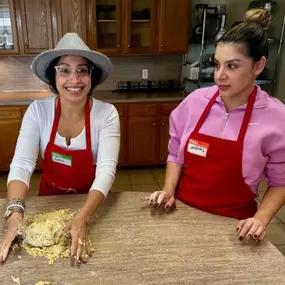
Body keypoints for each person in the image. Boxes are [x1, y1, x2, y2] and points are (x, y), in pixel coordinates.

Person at [149, 9, 285, 243]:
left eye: (232, 66)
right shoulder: (194, 102)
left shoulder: (276, 117)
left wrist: (260, 219)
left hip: (235, 226)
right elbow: (175, 153)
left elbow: (281, 181)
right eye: (216, 65)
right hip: (182, 215)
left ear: (258, 65)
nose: (219, 76)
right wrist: (169, 190)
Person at [0, 33, 120, 263]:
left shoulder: (106, 114)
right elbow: (22, 164)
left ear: (91, 77)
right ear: (52, 76)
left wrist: (83, 218)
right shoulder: (38, 111)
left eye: (82, 70)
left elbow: (106, 170)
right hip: (49, 199)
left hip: (91, 201)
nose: (74, 80)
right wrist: (15, 213)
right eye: (64, 70)